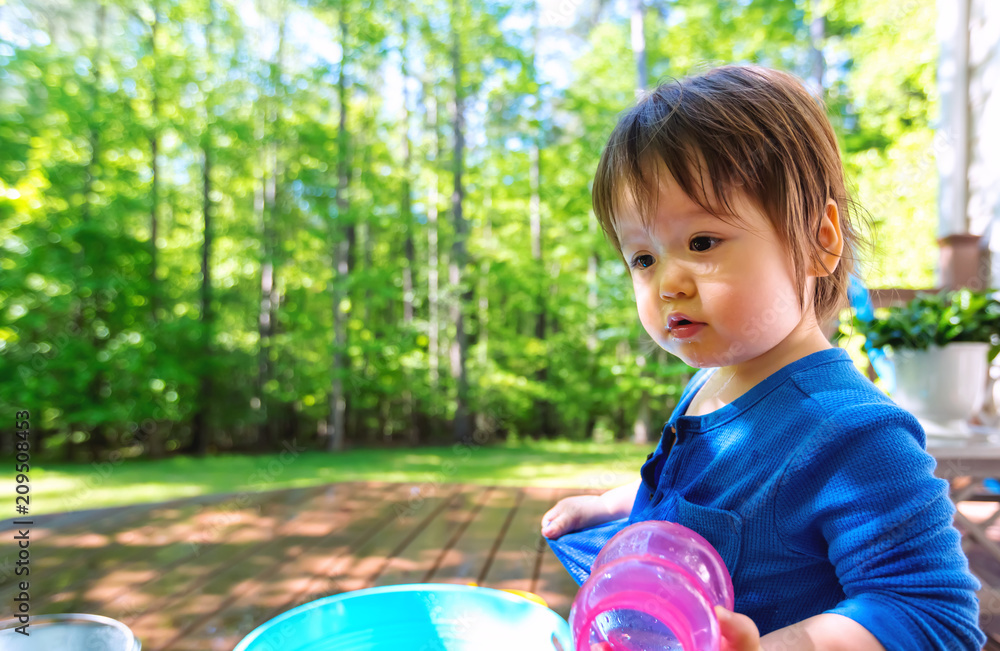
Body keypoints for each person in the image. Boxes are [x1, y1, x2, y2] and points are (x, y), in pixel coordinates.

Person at [541, 65, 985, 651]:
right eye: (643, 258)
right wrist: (609, 504)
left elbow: (933, 615)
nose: (667, 282)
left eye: (702, 242)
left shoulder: (849, 433)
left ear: (819, 239)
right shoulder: (714, 381)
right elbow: (699, 490)